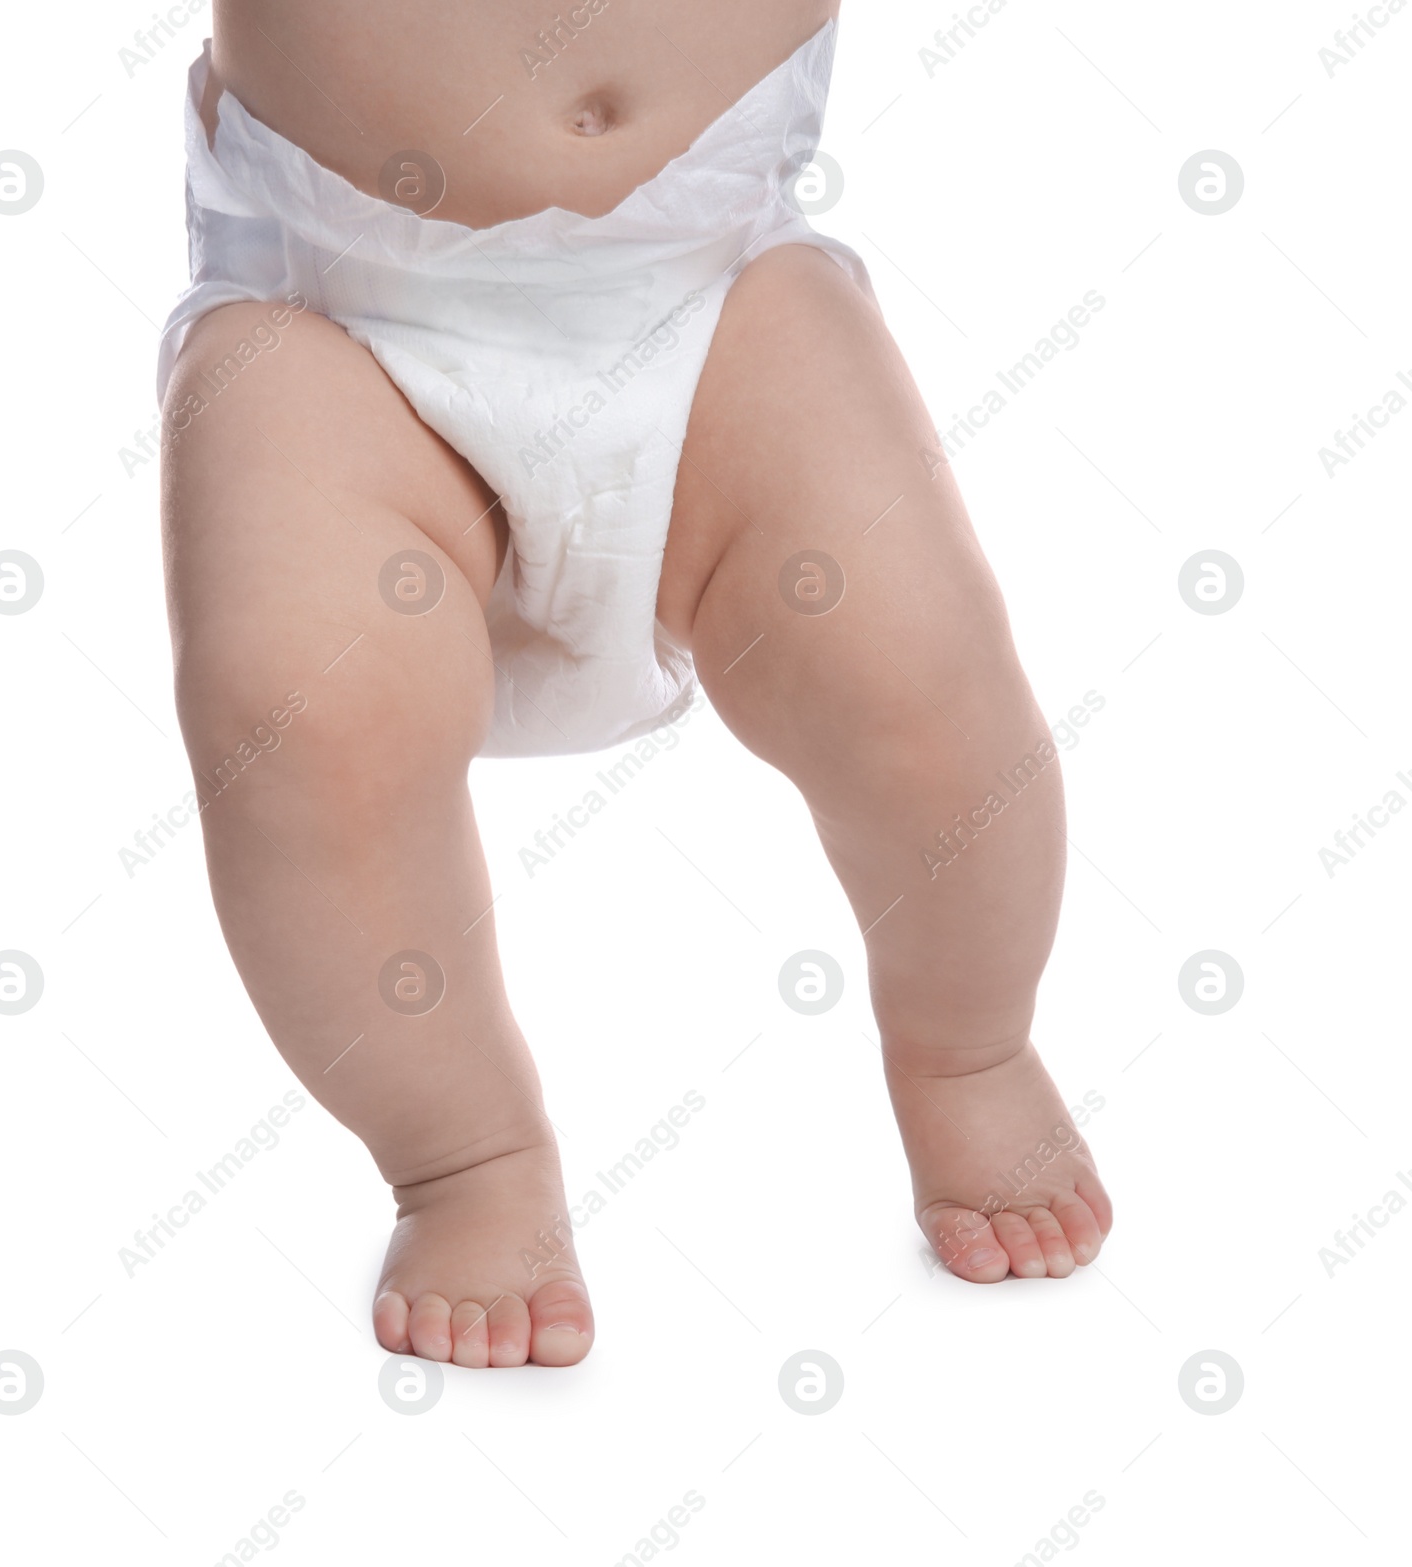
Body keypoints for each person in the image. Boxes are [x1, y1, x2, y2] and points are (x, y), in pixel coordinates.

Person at [156, 0, 1112, 1368]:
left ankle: (971, 1046)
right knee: (296, 718)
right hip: (337, 307)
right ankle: (461, 1152)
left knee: (924, 674)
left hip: (713, 278)